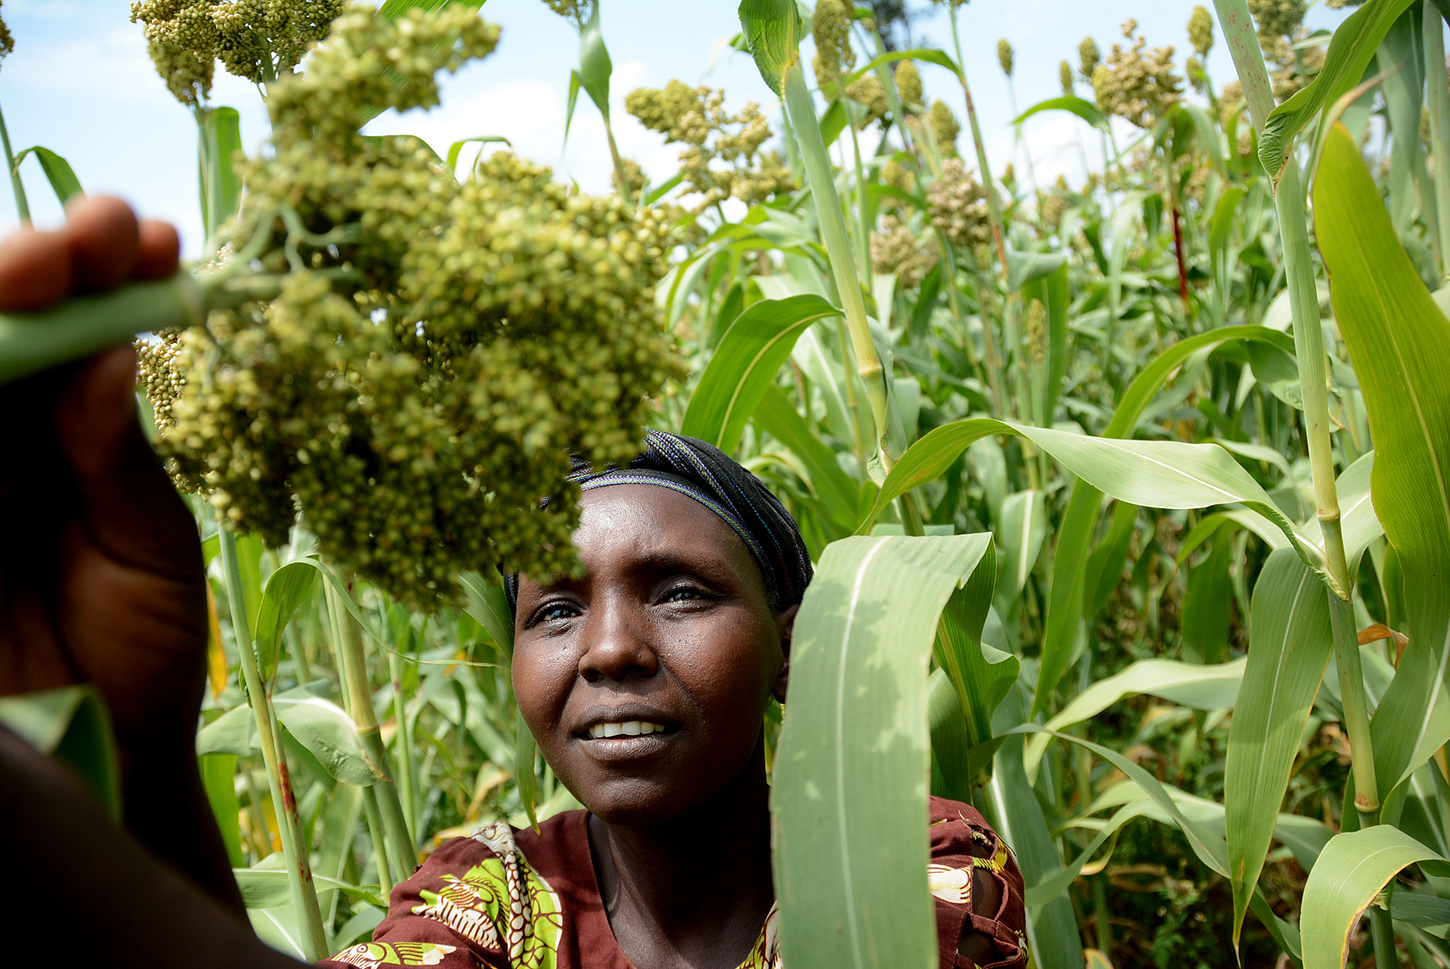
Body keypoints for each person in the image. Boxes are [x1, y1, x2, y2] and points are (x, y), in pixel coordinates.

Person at [0, 198, 1027, 969]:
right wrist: (140, 767)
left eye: (676, 593)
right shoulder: (485, 895)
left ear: (792, 647)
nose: (610, 649)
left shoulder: (907, 856)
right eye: (555, 609)